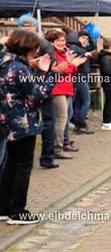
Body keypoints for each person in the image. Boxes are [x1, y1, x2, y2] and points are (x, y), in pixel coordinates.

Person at [0, 30, 67, 224]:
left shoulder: (6, 64)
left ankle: (4, 207)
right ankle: (18, 211)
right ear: (26, 47)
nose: (37, 51)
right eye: (35, 47)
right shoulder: (19, 68)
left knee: (11, 165)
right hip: (23, 122)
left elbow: (27, 87)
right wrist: (53, 75)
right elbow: (37, 94)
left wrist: (40, 71)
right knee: (23, 166)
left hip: (8, 120)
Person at [17, 17, 61, 169]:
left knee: (47, 124)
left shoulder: (44, 44)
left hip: (39, 90)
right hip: (26, 91)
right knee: (28, 125)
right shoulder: (15, 45)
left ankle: (46, 157)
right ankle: (31, 160)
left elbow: (51, 65)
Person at [47, 30, 85, 159]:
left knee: (65, 117)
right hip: (58, 89)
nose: (61, 43)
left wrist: (71, 63)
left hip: (66, 88)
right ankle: (57, 147)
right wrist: (73, 65)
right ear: (52, 42)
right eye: (58, 40)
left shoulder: (63, 53)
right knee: (61, 119)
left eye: (63, 40)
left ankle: (62, 143)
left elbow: (70, 71)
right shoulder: (52, 54)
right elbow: (62, 70)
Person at [67, 30, 96, 134]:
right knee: (85, 102)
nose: (85, 40)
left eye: (86, 39)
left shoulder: (83, 47)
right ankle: (80, 124)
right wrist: (85, 55)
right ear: (78, 38)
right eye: (83, 38)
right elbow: (74, 61)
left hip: (83, 76)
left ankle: (79, 123)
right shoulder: (74, 47)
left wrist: (89, 35)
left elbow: (93, 46)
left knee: (80, 102)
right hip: (79, 77)